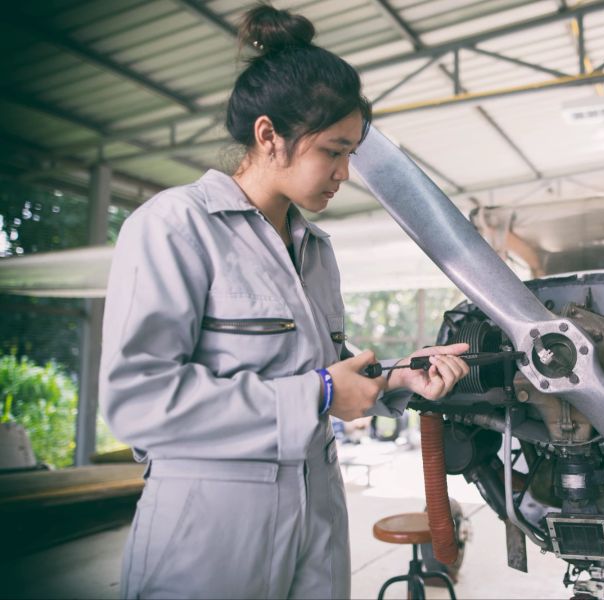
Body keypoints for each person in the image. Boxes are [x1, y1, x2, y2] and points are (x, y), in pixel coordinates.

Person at [98, 4, 470, 599]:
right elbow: (139, 402)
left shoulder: (315, 249)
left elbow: (325, 371)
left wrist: (399, 377)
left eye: (352, 154)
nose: (346, 172)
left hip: (316, 512)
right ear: (269, 136)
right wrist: (319, 393)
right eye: (333, 150)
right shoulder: (174, 227)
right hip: (211, 530)